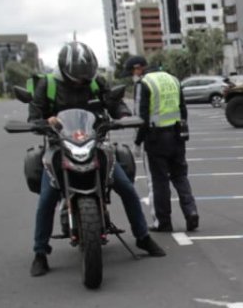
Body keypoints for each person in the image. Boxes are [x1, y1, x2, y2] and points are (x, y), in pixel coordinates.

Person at [28, 42, 165, 277]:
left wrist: (122, 115)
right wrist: (43, 121)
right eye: (78, 77)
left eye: (85, 77)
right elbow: (34, 114)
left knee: (127, 188)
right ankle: (40, 252)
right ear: (65, 70)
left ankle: (142, 237)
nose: (82, 81)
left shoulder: (94, 81)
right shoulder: (48, 85)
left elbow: (112, 101)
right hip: (59, 146)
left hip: (94, 143)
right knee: (46, 199)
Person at [125, 55, 199, 233]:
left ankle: (163, 222)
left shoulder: (145, 84)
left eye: (131, 72)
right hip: (176, 135)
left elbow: (142, 117)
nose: (132, 76)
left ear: (138, 68)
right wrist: (182, 131)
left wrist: (137, 142)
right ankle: (191, 212)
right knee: (180, 177)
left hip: (156, 138)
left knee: (159, 182)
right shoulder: (173, 79)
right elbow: (183, 109)